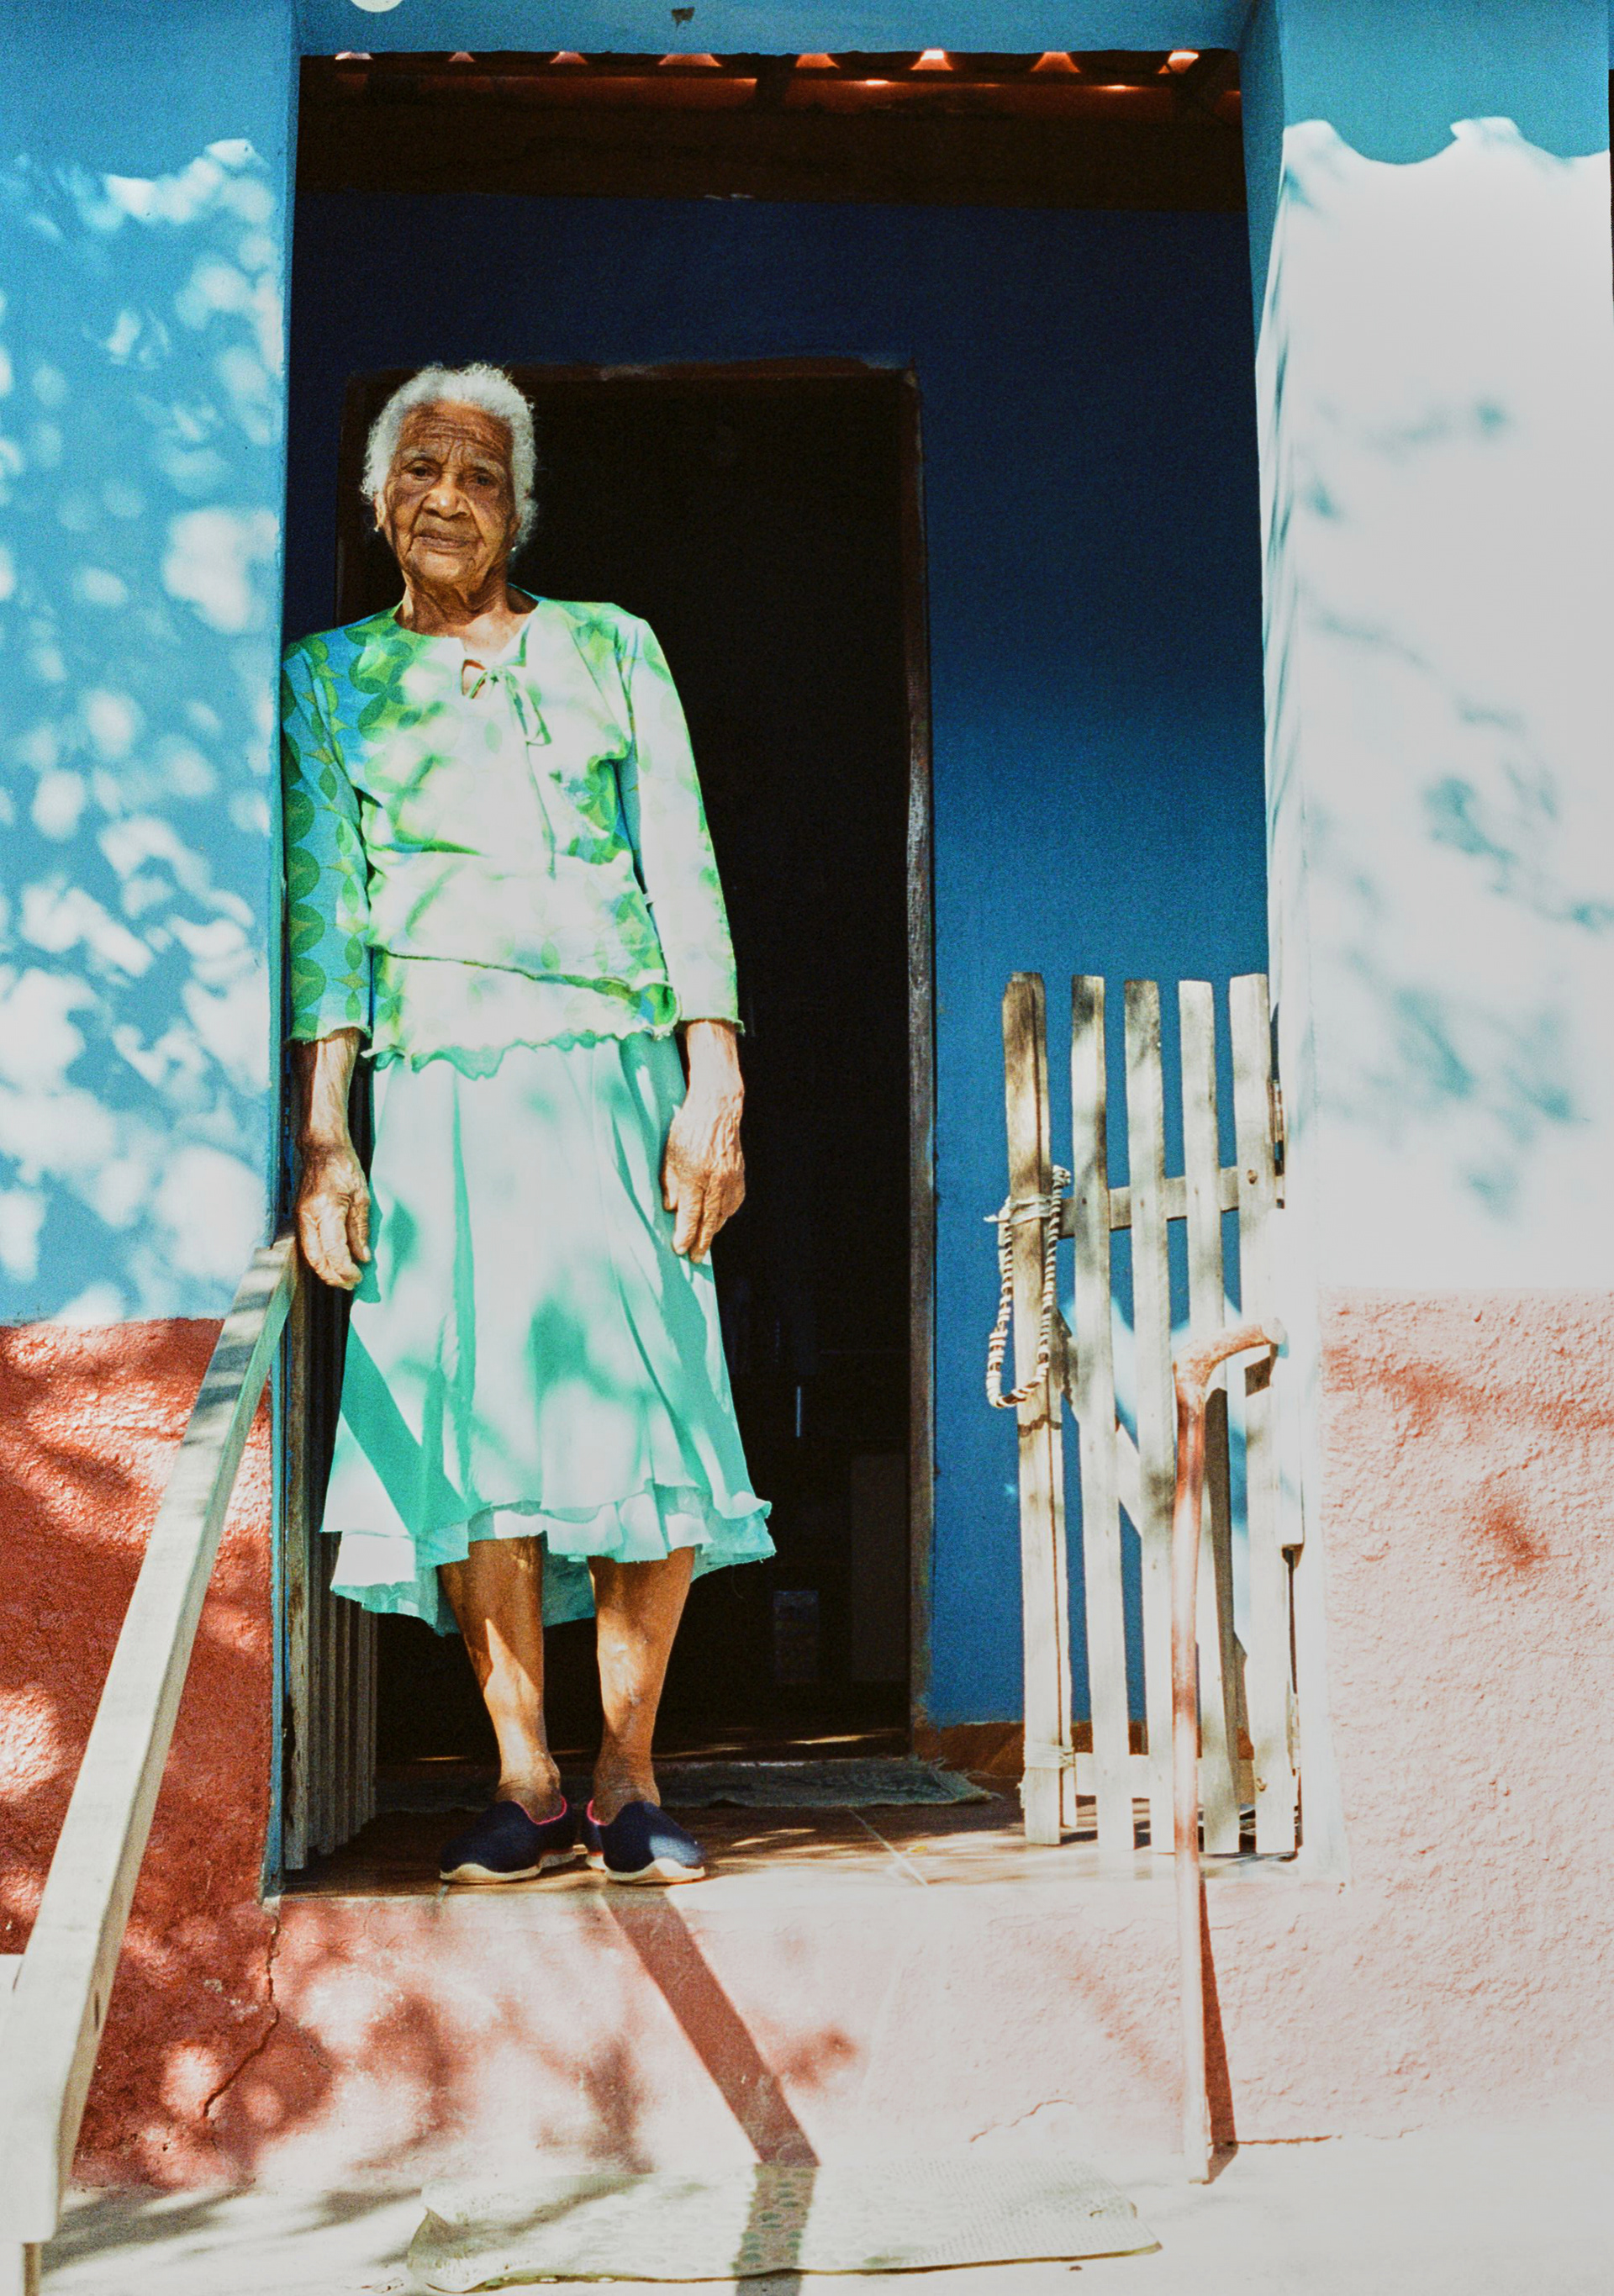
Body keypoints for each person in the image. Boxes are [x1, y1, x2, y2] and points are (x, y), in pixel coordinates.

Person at [282, 362, 772, 1887]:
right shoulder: (329, 681)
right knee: (469, 1415)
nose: (448, 499)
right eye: (422, 471)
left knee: (652, 1411)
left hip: (618, 1072)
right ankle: (524, 1780)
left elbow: (682, 861)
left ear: (520, 510)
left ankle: (629, 1776)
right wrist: (328, 1137)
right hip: (436, 1083)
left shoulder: (612, 647)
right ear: (378, 501)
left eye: (481, 477)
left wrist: (713, 1081)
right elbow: (329, 918)